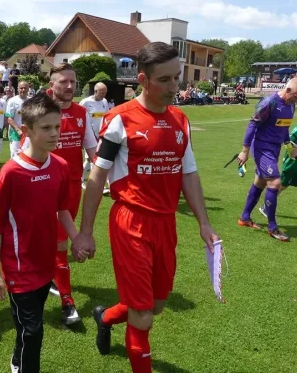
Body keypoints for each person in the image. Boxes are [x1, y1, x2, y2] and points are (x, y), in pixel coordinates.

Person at [74, 42, 219, 373]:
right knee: (142, 315)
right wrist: (85, 233)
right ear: (143, 79)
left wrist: (204, 223)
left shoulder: (180, 120)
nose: (174, 87)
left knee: (155, 305)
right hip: (131, 222)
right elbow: (96, 180)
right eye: (165, 80)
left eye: (177, 78)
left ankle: (106, 316)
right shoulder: (119, 120)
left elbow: (190, 174)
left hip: (166, 223)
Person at [0, 93, 80, 373]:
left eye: (57, 127)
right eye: (46, 128)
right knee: (34, 331)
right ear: (26, 131)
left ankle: (16, 361)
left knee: (29, 326)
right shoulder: (11, 172)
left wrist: (77, 238)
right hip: (18, 267)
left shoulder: (60, 167)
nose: (54, 134)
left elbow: (63, 209)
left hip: (44, 263)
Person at [33, 64, 97, 325]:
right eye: (63, 82)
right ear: (52, 85)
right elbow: (28, 151)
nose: (69, 86)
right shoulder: (41, 112)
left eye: (73, 81)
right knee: (56, 242)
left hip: (71, 188)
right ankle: (67, 302)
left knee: (57, 241)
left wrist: (112, 176)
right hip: (44, 186)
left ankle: (51, 279)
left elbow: (93, 150)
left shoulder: (82, 113)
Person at [237, 77, 297, 242]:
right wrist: (244, 151)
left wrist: (289, 145)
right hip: (262, 147)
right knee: (275, 183)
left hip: (274, 149)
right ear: (288, 90)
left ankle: (245, 218)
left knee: (260, 182)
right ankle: (272, 227)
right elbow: (252, 125)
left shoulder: (291, 105)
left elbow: (284, 127)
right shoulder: (269, 102)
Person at [79, 82, 110, 190]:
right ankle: (89, 182)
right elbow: (79, 118)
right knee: (91, 159)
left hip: (101, 134)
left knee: (95, 159)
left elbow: (106, 117)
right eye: (102, 93)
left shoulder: (105, 102)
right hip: (90, 136)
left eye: (105, 93)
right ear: (95, 91)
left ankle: (94, 182)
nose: (104, 95)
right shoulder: (85, 102)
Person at [5, 81, 29, 158]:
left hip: (28, 133)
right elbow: (9, 118)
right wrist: (19, 131)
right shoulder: (12, 101)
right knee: (15, 156)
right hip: (15, 133)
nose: (23, 90)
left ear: (28, 89)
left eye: (25, 88)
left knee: (27, 155)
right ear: (18, 89)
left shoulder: (31, 101)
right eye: (21, 88)